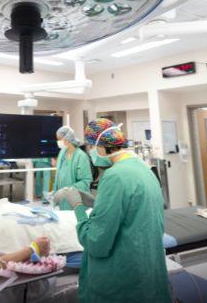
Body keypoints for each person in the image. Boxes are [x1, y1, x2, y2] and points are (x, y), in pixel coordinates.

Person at [54, 119, 169, 303]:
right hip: (147, 269)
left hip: (122, 280)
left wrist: (78, 207)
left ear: (101, 145)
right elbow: (129, 207)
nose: (91, 152)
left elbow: (96, 242)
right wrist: (93, 201)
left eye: (91, 146)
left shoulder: (114, 176)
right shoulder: (144, 169)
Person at [50, 124, 93, 207]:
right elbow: (59, 175)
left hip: (77, 200)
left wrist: (67, 190)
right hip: (63, 200)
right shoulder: (62, 152)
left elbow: (85, 181)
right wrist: (55, 191)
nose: (58, 142)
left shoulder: (81, 156)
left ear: (67, 139)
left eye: (59, 139)